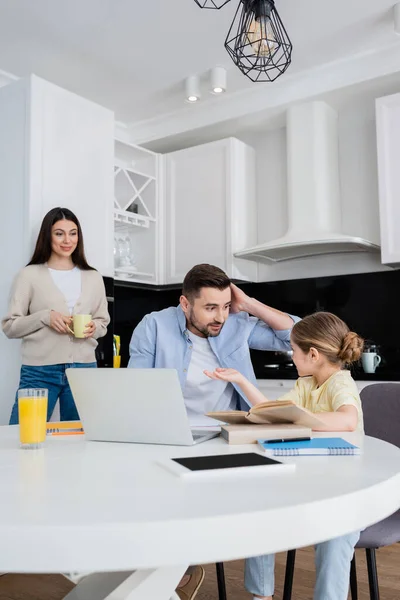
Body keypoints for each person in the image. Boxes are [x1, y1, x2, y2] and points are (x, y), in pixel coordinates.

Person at [128, 263, 300, 599]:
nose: (219, 317)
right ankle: (167, 573)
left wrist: (247, 304)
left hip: (227, 434)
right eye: (210, 308)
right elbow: (137, 390)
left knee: (261, 495)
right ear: (185, 303)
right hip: (172, 436)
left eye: (224, 306)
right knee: (147, 491)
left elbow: (294, 335)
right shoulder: (154, 326)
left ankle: (260, 593)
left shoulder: (236, 323)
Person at [205, 311, 364, 600]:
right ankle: (261, 594)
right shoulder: (306, 384)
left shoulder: (340, 383)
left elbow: (348, 420)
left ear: (313, 354)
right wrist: (240, 379)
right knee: (261, 508)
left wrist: (300, 419)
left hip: (346, 494)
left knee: (335, 537)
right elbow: (271, 409)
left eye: (293, 349)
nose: (291, 355)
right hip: (310, 484)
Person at [3, 207, 110, 424]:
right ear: (47, 235)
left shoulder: (93, 277)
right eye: (59, 233)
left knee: (81, 441)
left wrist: (93, 329)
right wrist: (44, 316)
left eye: (73, 233)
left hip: (84, 369)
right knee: (21, 435)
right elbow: (10, 326)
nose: (67, 240)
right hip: (39, 371)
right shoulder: (29, 275)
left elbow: (102, 322)